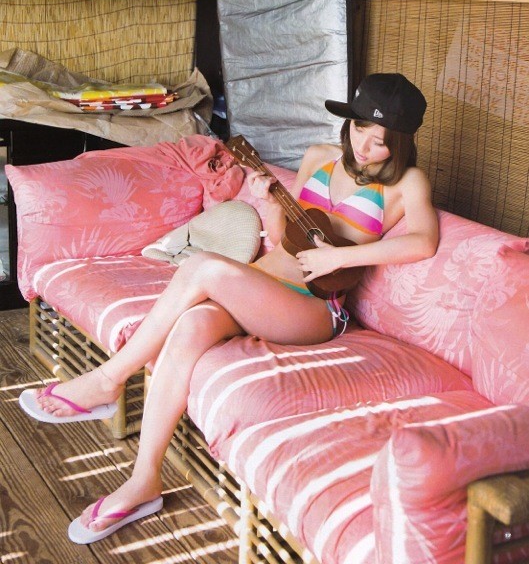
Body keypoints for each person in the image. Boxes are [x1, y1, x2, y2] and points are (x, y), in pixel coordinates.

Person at [19, 72, 439, 544]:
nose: (365, 146)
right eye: (360, 129)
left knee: (203, 267)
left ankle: (108, 380)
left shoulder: (408, 183)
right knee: (193, 324)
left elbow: (423, 242)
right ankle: (144, 480)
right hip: (263, 286)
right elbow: (284, 238)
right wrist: (269, 202)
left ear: (400, 145)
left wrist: (340, 258)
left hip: (314, 308)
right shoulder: (318, 157)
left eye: (381, 141)